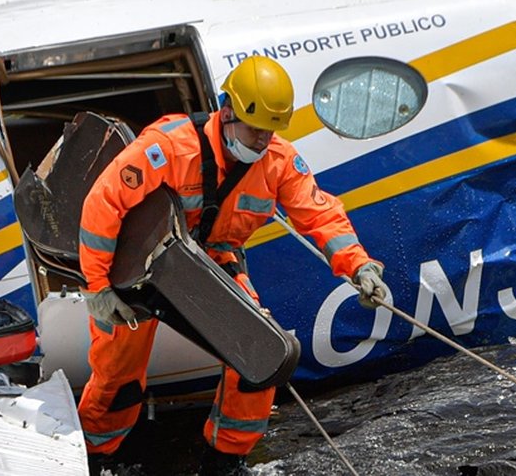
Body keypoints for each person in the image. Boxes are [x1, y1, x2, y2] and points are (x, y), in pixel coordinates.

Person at [76, 55, 389, 475]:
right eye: (255, 129)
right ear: (227, 113)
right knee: (117, 378)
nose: (262, 140)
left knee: (260, 358)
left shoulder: (278, 162)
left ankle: (224, 460)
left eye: (270, 131)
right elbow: (103, 204)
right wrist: (97, 287)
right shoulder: (168, 146)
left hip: (213, 261)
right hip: (137, 270)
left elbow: (319, 214)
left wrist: (359, 266)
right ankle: (95, 460)